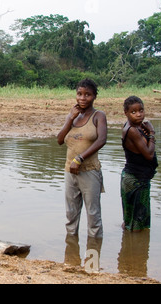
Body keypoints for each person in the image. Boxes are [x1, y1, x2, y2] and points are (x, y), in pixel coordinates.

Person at [57, 79, 107, 238]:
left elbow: (101, 140)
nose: (83, 98)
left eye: (88, 95)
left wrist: (79, 158)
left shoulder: (98, 115)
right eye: (79, 94)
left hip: (89, 170)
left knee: (93, 215)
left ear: (94, 97)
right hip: (69, 171)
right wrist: (70, 119)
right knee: (71, 214)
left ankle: (94, 254)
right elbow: (59, 140)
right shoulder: (73, 116)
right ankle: (71, 248)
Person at [121, 96, 158, 232]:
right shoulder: (132, 130)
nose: (139, 114)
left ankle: (129, 248)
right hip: (136, 180)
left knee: (131, 219)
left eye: (141, 110)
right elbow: (148, 155)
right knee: (137, 221)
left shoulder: (137, 127)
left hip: (136, 178)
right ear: (126, 113)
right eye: (134, 112)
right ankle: (135, 251)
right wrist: (152, 133)